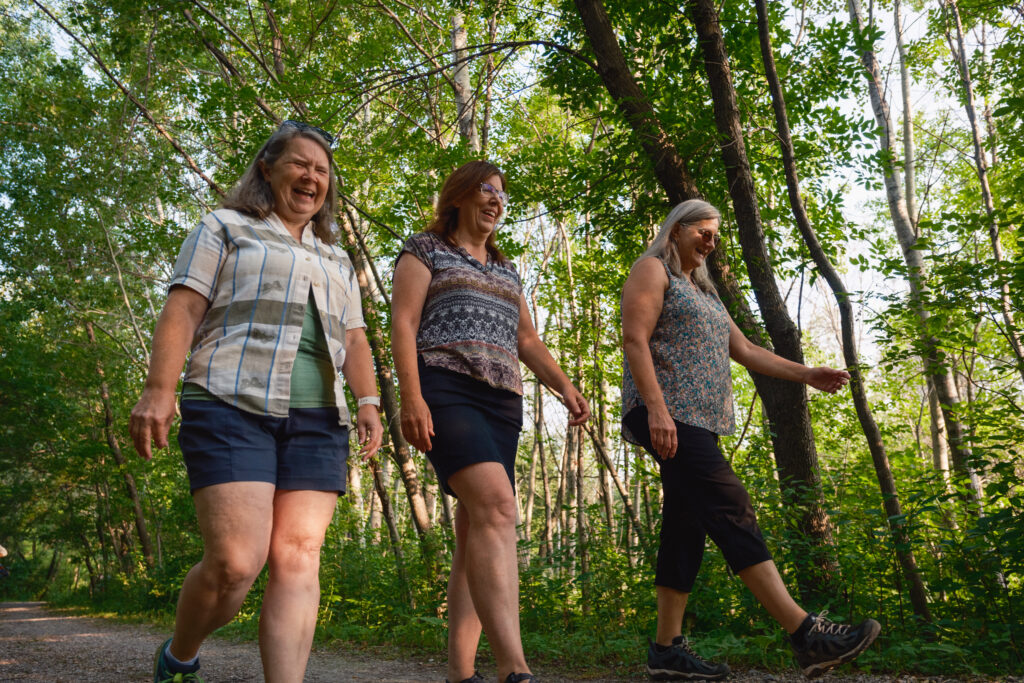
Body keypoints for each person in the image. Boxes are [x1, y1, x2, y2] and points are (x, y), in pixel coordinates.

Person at [130, 120, 383, 683]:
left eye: (322, 170)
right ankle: (181, 654)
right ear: (267, 168)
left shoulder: (336, 259)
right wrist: (158, 388)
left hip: (319, 417)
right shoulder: (224, 226)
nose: (311, 177)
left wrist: (367, 398)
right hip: (228, 400)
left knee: (298, 556)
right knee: (236, 562)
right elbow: (185, 307)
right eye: (300, 163)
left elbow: (356, 336)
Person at [620, 199, 880, 681]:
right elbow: (635, 338)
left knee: (686, 523)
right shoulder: (652, 269)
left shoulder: (705, 292)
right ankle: (806, 634)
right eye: (704, 232)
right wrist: (656, 409)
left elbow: (745, 350)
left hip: (698, 420)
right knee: (730, 503)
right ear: (677, 229)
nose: (711, 242)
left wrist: (807, 374)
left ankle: (666, 650)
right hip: (667, 412)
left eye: (717, 237)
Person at [391, 161, 590, 683]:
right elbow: (404, 324)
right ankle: (513, 668)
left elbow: (526, 340)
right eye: (486, 189)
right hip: (445, 387)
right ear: (458, 196)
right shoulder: (425, 250)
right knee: (499, 507)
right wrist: (411, 398)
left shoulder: (506, 269)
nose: (496, 200)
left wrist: (564, 385)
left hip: (502, 401)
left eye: (502, 194)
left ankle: (461, 674)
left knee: (475, 530)